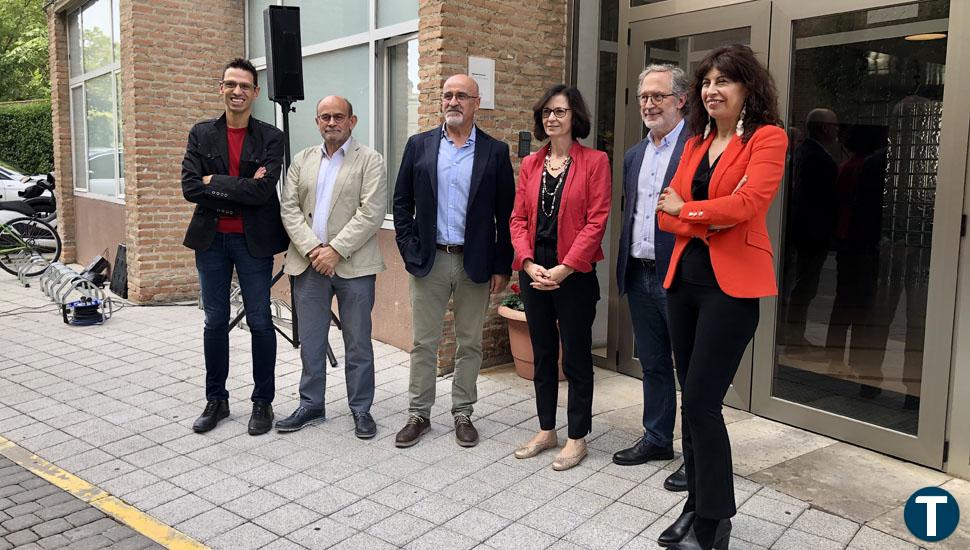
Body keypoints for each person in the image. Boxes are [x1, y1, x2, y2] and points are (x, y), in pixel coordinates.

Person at [655, 44, 786, 550]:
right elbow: (664, 212)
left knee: (705, 404)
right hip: (682, 284)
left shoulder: (767, 139)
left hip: (731, 291)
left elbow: (749, 205)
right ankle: (695, 505)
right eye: (706, 82)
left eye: (723, 82)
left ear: (747, 88)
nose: (712, 90)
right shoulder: (694, 142)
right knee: (693, 401)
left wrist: (689, 210)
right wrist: (698, 212)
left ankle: (715, 520)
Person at [392, 74, 515, 448]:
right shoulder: (419, 146)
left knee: (469, 343)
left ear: (477, 103)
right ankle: (419, 413)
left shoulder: (495, 151)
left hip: (473, 262)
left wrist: (501, 265)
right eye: (447, 95)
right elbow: (401, 204)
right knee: (424, 342)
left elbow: (506, 215)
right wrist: (409, 249)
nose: (453, 101)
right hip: (429, 261)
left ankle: (463, 412)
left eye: (462, 95)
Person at [181, 58, 289, 436]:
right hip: (211, 241)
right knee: (214, 321)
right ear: (221, 88)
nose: (237, 91)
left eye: (244, 85)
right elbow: (190, 187)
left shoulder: (271, 137)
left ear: (255, 92)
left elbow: (263, 192)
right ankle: (217, 400)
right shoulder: (201, 133)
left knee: (260, 321)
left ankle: (263, 403)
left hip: (252, 241)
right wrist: (236, 183)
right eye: (230, 84)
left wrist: (216, 181)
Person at [509, 85, 611, 471]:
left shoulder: (595, 162)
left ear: (575, 117)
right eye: (547, 112)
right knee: (543, 354)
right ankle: (547, 429)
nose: (552, 118)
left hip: (576, 272)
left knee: (578, 357)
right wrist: (528, 261)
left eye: (561, 111)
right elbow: (518, 219)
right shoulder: (532, 165)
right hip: (536, 270)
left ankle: (577, 437)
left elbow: (597, 220)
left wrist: (566, 268)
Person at [276, 96, 386, 438]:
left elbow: (372, 212)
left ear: (352, 121)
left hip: (353, 266)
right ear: (317, 122)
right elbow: (289, 208)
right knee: (310, 340)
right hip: (309, 266)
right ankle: (311, 405)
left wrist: (335, 250)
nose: (332, 122)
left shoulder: (370, 160)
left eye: (339, 116)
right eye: (325, 117)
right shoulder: (302, 160)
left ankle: (361, 409)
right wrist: (312, 250)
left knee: (358, 342)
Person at [612, 64, 689, 492]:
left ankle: (696, 455)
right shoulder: (633, 156)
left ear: (681, 100)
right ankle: (658, 439)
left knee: (691, 371)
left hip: (677, 276)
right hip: (639, 273)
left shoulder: (697, 148)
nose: (649, 103)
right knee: (655, 364)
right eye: (644, 96)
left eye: (658, 96)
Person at [783, 108, 839, 349]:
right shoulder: (818, 158)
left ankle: (792, 333)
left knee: (799, 284)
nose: (838, 131)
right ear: (826, 128)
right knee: (804, 286)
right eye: (835, 126)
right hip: (810, 233)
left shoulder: (803, 152)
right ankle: (794, 335)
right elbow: (818, 200)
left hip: (801, 231)